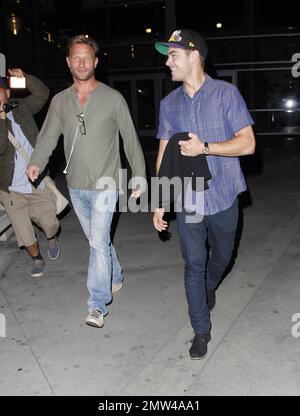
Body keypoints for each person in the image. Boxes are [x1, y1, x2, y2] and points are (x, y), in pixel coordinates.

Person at [27, 35, 146, 328]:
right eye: (75, 58)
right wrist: (36, 162)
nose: (81, 62)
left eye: (86, 57)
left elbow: (130, 138)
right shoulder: (60, 102)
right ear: (69, 63)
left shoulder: (112, 98)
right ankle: (115, 275)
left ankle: (97, 304)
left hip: (106, 183)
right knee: (98, 240)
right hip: (77, 185)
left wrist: (139, 176)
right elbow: (48, 137)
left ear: (95, 62)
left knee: (96, 245)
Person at [153, 29, 256, 359]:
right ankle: (200, 329)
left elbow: (248, 143)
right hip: (189, 199)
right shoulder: (169, 104)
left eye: (173, 55)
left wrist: (205, 148)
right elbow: (163, 153)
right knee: (193, 265)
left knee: (223, 256)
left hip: (224, 194)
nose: (167, 62)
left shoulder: (226, 95)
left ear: (194, 54)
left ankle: (210, 285)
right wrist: (160, 200)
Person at [0, 69, 60, 278]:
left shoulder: (22, 108)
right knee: (24, 232)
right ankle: (36, 257)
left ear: (7, 92)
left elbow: (42, 93)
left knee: (51, 223)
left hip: (35, 180)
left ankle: (51, 237)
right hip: (9, 188)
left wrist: (25, 79)